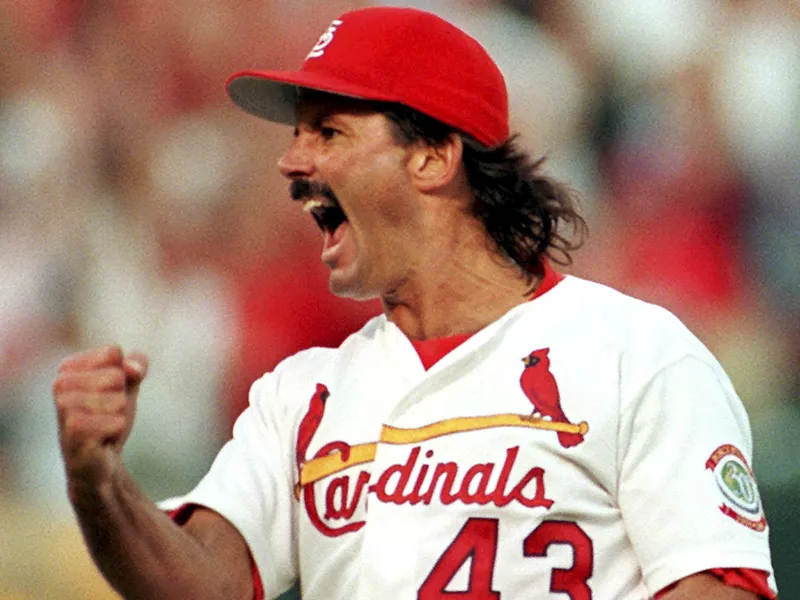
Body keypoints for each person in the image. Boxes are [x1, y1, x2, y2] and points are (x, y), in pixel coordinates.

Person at [52, 6, 778, 600]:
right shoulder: (302, 394)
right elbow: (203, 585)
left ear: (433, 154)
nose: (291, 160)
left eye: (328, 131)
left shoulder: (637, 355)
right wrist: (99, 485)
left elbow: (719, 588)